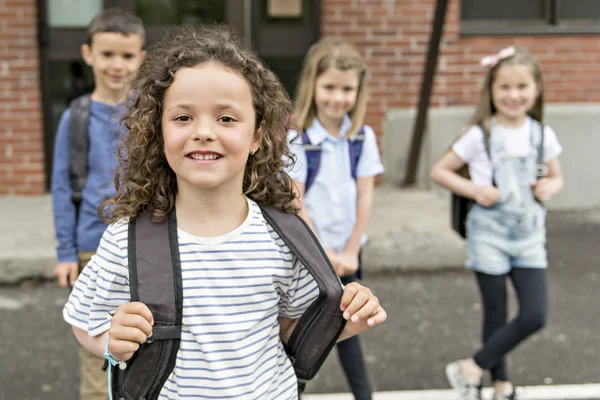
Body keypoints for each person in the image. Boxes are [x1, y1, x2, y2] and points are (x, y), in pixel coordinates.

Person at [62, 25, 387, 400]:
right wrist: (109, 340)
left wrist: (347, 319)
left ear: (257, 136)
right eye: (183, 118)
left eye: (226, 118)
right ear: (158, 131)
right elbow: (85, 322)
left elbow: (292, 327)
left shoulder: (284, 236)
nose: (203, 131)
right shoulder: (127, 239)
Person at [430, 46, 564, 400]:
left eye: (522, 87)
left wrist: (551, 185)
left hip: (529, 236)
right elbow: (440, 171)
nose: (513, 95)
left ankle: (470, 368)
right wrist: (474, 188)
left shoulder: (541, 135)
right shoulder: (480, 134)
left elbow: (556, 177)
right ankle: (501, 384)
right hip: (489, 234)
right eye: (504, 87)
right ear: (491, 91)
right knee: (496, 313)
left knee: (535, 314)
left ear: (536, 90)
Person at [50, 8, 145, 400]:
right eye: (107, 55)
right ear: (88, 54)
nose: (117, 65)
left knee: (144, 340)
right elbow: (61, 186)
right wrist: (65, 251)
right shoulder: (75, 117)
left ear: (141, 58)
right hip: (92, 248)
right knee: (98, 347)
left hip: (144, 245)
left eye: (126, 56)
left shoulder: (150, 113)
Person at [287, 37, 384, 400]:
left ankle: (364, 396)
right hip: (310, 255)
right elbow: (297, 202)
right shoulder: (297, 139)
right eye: (329, 87)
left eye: (347, 89)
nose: (337, 97)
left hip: (349, 253)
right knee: (300, 330)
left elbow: (365, 194)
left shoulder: (362, 138)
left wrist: (352, 248)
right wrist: (323, 252)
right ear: (313, 85)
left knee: (349, 327)